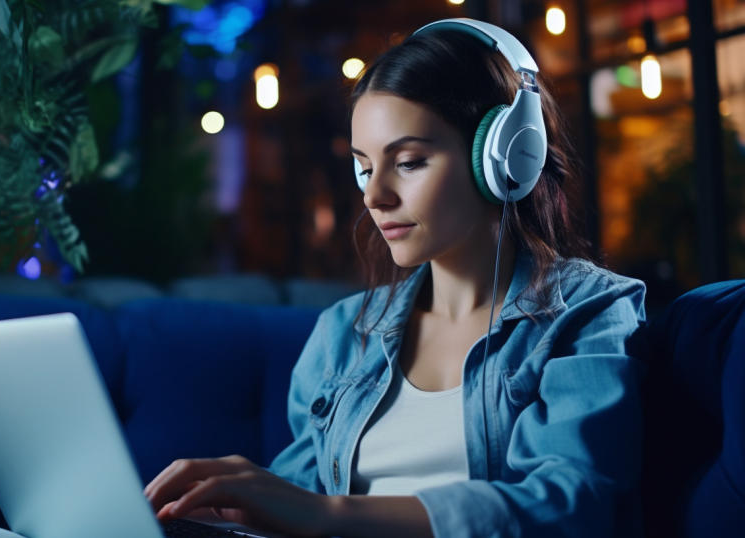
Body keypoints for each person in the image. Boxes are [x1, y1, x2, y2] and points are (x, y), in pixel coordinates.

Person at [144, 19, 647, 537]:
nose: (373, 196)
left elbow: (570, 503)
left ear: (508, 156)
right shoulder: (342, 334)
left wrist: (326, 514)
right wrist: (241, 512)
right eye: (364, 167)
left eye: (408, 162)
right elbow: (297, 505)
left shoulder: (589, 312)